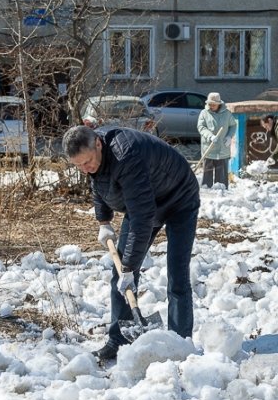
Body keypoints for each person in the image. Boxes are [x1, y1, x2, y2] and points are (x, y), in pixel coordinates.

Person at [63, 124, 200, 361]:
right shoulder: (95, 157)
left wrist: (129, 266)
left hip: (180, 198)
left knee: (177, 273)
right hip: (146, 200)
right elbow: (100, 183)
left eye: (87, 162)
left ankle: (180, 343)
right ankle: (118, 340)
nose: (86, 169)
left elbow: (142, 218)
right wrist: (103, 220)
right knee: (120, 275)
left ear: (98, 144)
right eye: (79, 165)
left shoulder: (125, 155)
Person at [196, 92, 237, 188]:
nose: (211, 106)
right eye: (210, 104)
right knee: (207, 178)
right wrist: (210, 136)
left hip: (223, 149)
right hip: (208, 149)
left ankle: (222, 193)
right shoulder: (204, 113)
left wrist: (229, 136)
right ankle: (207, 191)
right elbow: (201, 127)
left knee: (222, 179)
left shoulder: (227, 114)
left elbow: (233, 125)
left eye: (213, 104)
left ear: (219, 104)